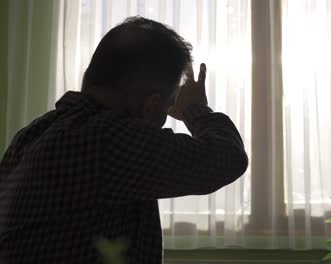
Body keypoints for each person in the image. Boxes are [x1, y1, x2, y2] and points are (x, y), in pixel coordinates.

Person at [0, 16, 248, 263]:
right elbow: (227, 158)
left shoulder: (32, 134)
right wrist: (193, 109)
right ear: (151, 106)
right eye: (168, 104)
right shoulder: (107, 140)